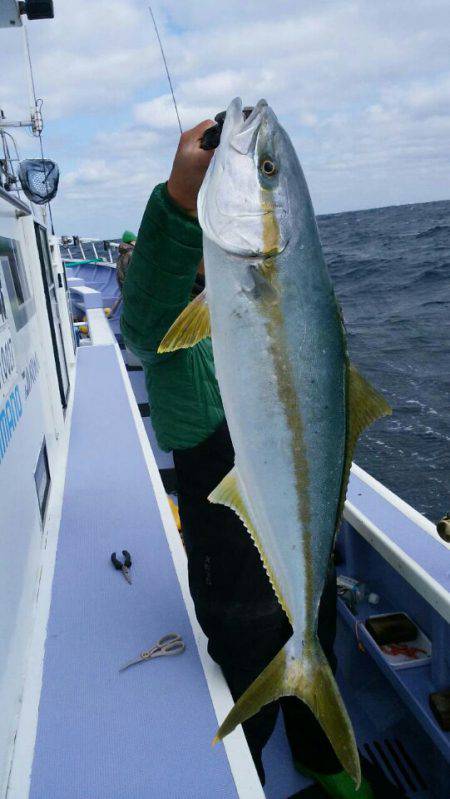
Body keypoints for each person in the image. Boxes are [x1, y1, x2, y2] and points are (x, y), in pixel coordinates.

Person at [121, 120, 400, 799]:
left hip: (297, 517)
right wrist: (181, 205)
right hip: (229, 528)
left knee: (314, 625)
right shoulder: (175, 333)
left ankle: (321, 751)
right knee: (246, 649)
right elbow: (145, 319)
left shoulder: (257, 294)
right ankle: (240, 766)